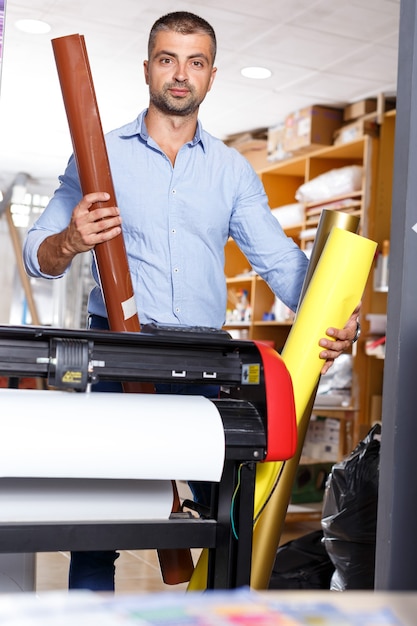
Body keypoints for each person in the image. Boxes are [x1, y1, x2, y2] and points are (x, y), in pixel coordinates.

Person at [23, 11, 360, 592]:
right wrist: (70, 240)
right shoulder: (99, 155)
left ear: (211, 75)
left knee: (231, 525)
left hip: (208, 363)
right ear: (149, 67)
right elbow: (38, 256)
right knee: (101, 530)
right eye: (168, 59)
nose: (181, 75)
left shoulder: (231, 171)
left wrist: (337, 316)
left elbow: (280, 264)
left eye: (195, 62)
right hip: (116, 354)